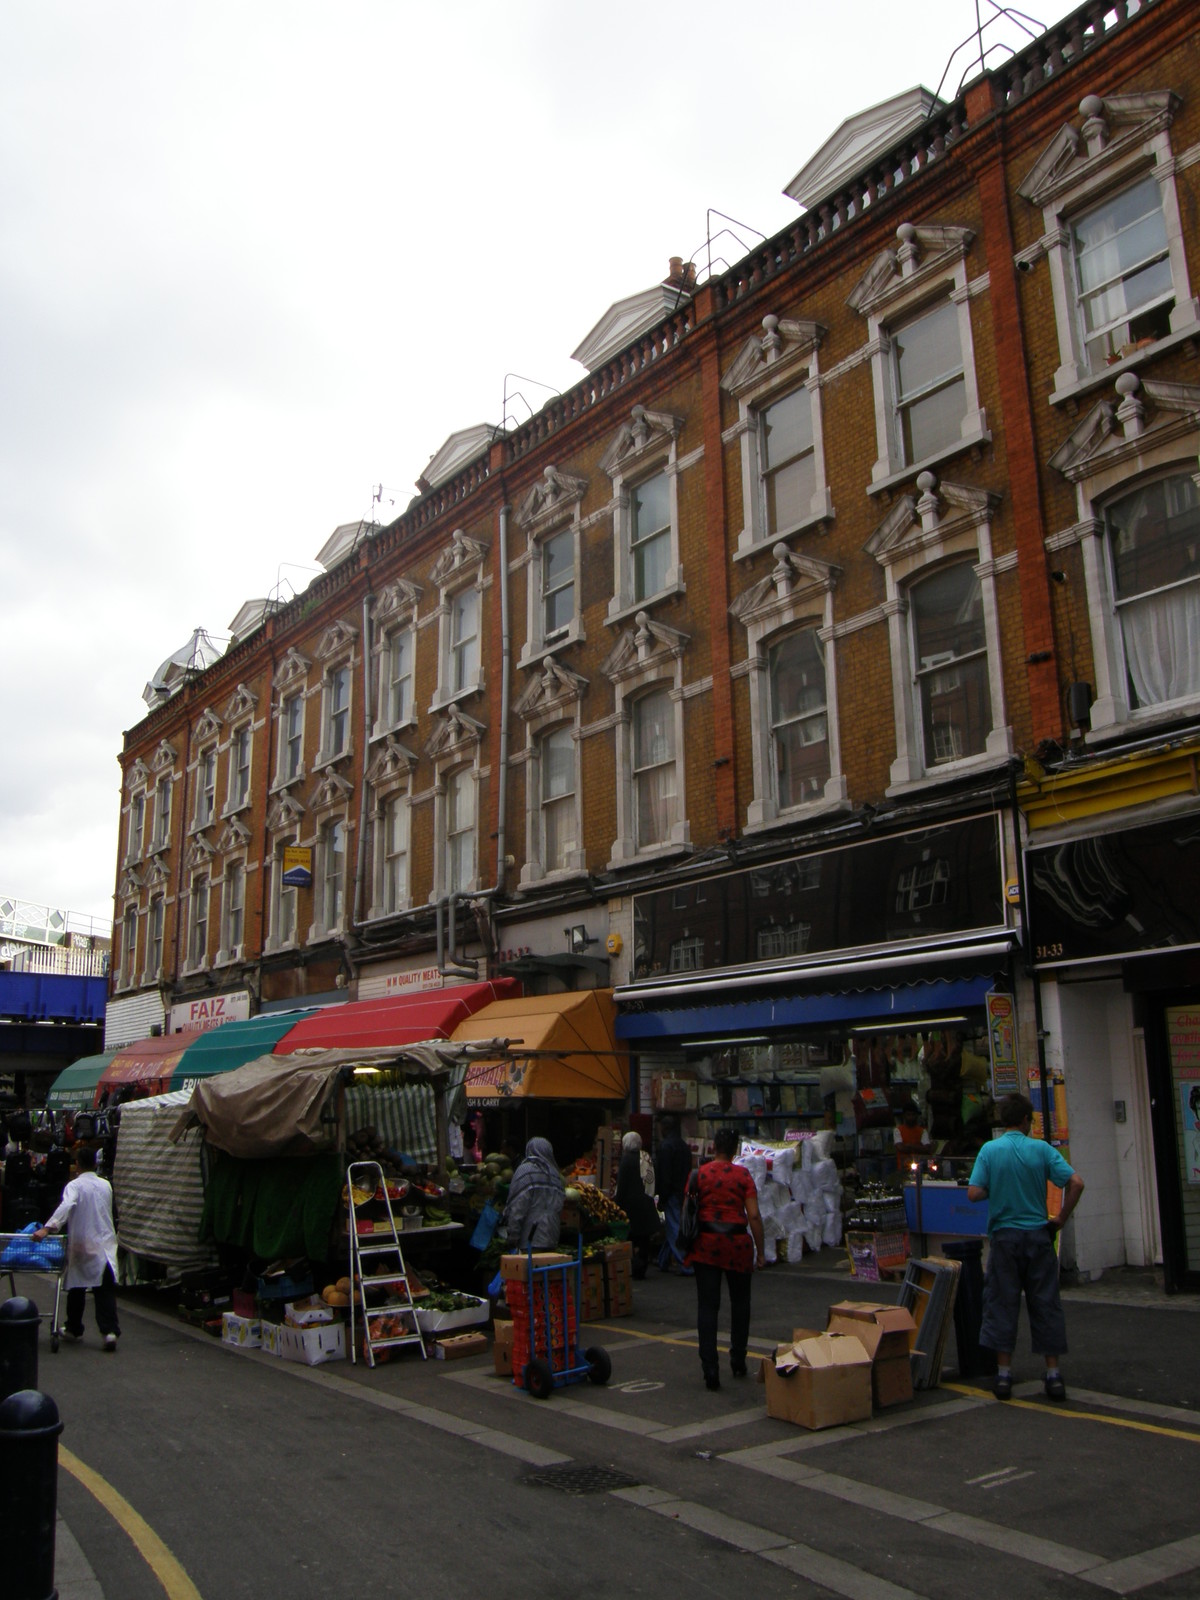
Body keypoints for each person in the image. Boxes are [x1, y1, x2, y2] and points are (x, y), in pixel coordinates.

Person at [967, 1093, 1084, 1401]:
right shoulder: (1041, 1150)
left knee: (1001, 1302)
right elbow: (1076, 1183)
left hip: (1005, 1238)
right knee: (1045, 1302)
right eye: (1031, 1120)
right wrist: (1059, 1218)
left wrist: (997, 1186)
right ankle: (1054, 1374)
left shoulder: (990, 1151)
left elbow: (974, 1193)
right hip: (1037, 1236)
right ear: (1024, 1121)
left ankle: (1004, 1375)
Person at [684, 1127, 765, 1391]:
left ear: (714, 1147)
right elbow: (753, 1215)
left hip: (705, 1245)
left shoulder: (700, 1174)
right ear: (734, 1150)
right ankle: (738, 1359)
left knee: (708, 1307)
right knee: (741, 1304)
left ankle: (710, 1367)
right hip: (737, 1245)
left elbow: (689, 1208)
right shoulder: (743, 1175)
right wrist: (761, 1251)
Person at [32, 1145, 121, 1351]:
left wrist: (48, 1228)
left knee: (77, 1287)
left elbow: (66, 1205)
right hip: (105, 1243)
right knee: (104, 1288)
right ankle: (109, 1332)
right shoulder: (105, 1185)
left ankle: (73, 1327)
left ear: (78, 1164)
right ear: (96, 1164)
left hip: (83, 1242)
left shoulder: (75, 1186)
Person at [502, 1136, 565, 1251]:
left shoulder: (525, 1171)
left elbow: (518, 1206)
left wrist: (513, 1236)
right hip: (552, 1239)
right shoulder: (556, 1176)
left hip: (530, 1240)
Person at [615, 1131, 661, 1280]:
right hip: (646, 1203)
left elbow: (621, 1187)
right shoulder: (646, 1158)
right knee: (644, 1240)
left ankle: (633, 1267)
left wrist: (616, 1205)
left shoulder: (626, 1160)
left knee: (631, 1238)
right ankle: (641, 1267)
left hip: (631, 1207)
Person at [654, 1114, 693, 1272]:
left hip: (672, 1193)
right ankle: (663, 1259)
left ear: (664, 1128)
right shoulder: (683, 1145)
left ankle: (686, 1263)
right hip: (682, 1191)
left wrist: (662, 1197)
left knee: (674, 1226)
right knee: (673, 1225)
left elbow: (665, 1175)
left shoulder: (665, 1147)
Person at [893, 1101, 932, 1172]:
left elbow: (927, 1148)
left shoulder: (922, 1131)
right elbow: (901, 1148)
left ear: (916, 1115)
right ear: (904, 1116)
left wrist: (909, 1146)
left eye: (913, 1115)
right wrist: (919, 1148)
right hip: (904, 1167)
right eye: (908, 1115)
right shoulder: (898, 1130)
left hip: (921, 1167)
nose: (911, 1117)